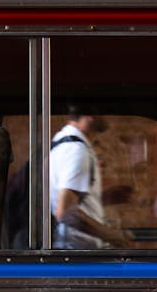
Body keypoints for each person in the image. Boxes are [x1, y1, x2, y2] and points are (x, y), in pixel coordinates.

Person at [50, 104, 133, 249]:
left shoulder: (62, 142)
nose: (110, 118)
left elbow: (66, 201)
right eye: (107, 113)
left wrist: (103, 198)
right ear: (92, 115)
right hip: (78, 254)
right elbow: (66, 211)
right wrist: (112, 235)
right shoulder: (76, 150)